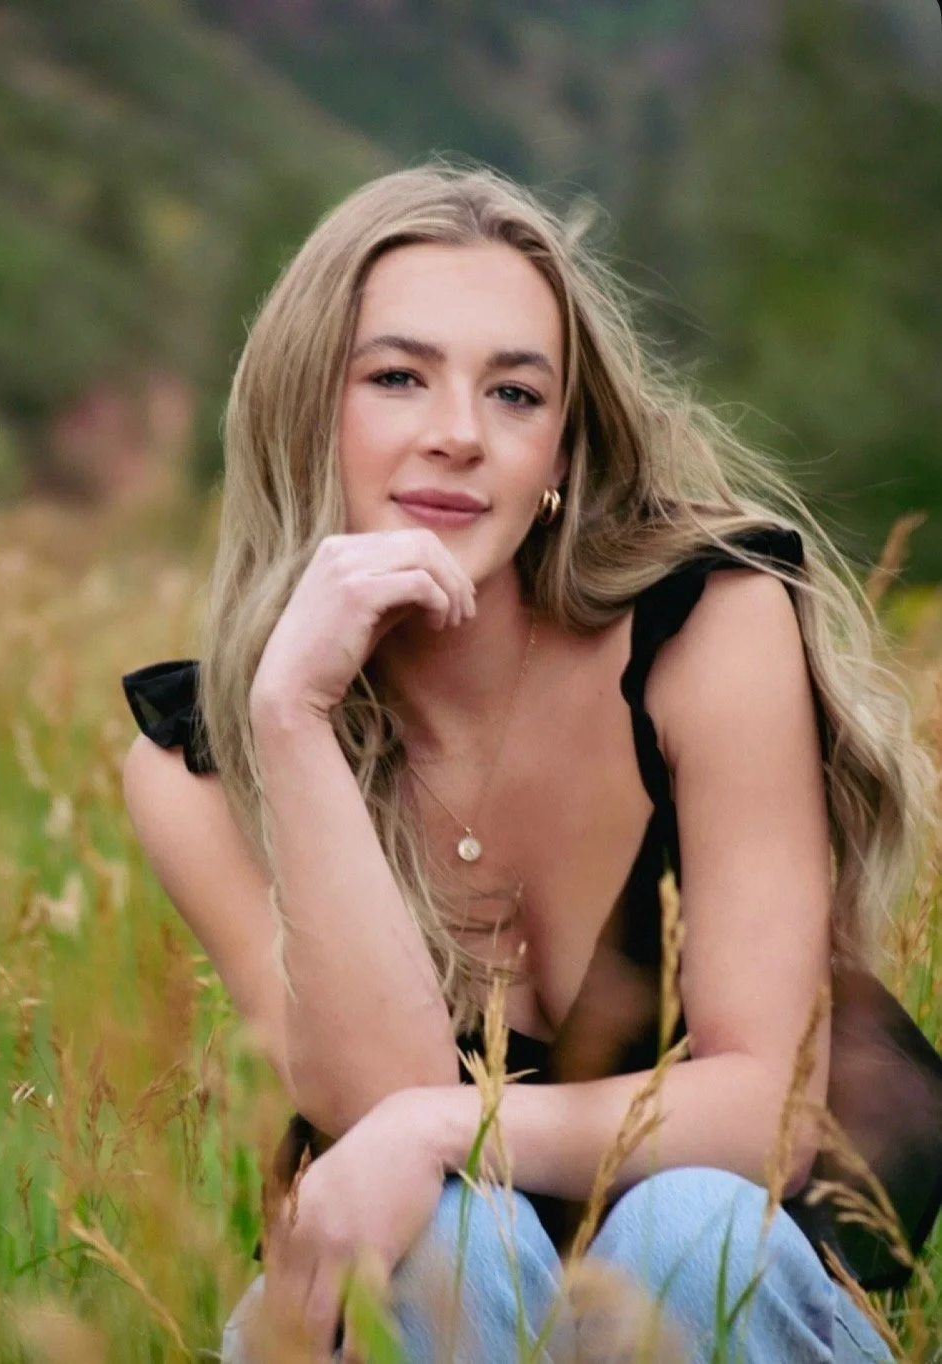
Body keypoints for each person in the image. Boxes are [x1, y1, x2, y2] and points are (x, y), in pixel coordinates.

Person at [121, 165, 942, 1362]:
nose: (458, 431)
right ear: (309, 412)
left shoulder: (707, 626)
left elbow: (765, 1110)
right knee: (448, 1244)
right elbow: (378, 1094)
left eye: (515, 391)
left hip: (723, 1281)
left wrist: (428, 1128)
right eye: (397, 376)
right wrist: (294, 717)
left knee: (692, 1226)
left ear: (559, 448)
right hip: (428, 1303)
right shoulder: (196, 764)